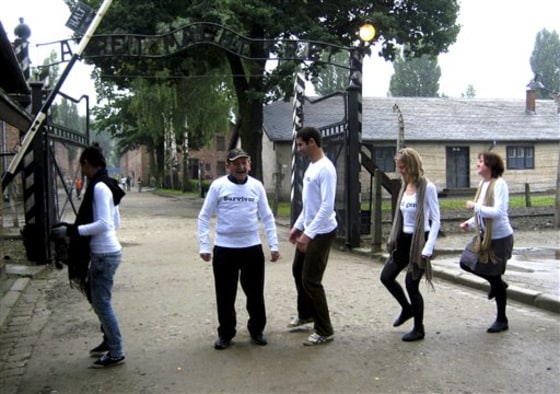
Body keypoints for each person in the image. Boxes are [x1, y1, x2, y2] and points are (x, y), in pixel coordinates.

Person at [197, 148, 280, 350]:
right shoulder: (218, 186)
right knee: (225, 294)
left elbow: (267, 216)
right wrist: (204, 245)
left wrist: (274, 244)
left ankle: (257, 329)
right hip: (225, 249)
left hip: (251, 248)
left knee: (255, 293)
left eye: (245, 163)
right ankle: (226, 332)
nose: (241, 167)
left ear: (249, 164)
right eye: (236, 163)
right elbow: (204, 216)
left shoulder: (256, 186)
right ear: (228, 166)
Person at [52, 143, 126, 368]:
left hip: (105, 254)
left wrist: (73, 230)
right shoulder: (106, 184)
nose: (80, 169)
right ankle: (109, 341)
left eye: (81, 165)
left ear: (86, 163)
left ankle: (116, 352)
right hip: (105, 252)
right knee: (97, 299)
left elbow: (105, 224)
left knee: (101, 303)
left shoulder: (100, 187)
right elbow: (116, 222)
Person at [380, 147, 440, 342]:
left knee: (411, 284)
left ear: (412, 166)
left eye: (403, 167)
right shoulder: (405, 186)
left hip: (419, 240)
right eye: (399, 167)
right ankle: (407, 309)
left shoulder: (427, 187)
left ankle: (419, 328)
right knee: (386, 277)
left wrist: (428, 247)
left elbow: (436, 219)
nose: (400, 171)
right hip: (404, 241)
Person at [288, 127, 338, 346]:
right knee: (298, 270)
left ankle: (324, 329)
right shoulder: (312, 167)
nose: (299, 149)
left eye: (300, 145)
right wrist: (298, 226)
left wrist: (308, 234)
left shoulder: (326, 169)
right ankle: (306, 314)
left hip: (323, 232)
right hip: (310, 229)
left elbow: (326, 206)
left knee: (311, 279)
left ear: (311, 142)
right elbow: (310, 205)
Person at [460, 151, 514, 334]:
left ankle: (502, 319)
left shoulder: (500, 184)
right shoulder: (483, 184)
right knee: (465, 262)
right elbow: (482, 213)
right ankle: (497, 284)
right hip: (484, 236)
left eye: (480, 162)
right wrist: (469, 222)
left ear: (490, 165)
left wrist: (475, 207)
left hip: (499, 239)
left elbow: (498, 212)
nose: (477, 164)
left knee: (496, 277)